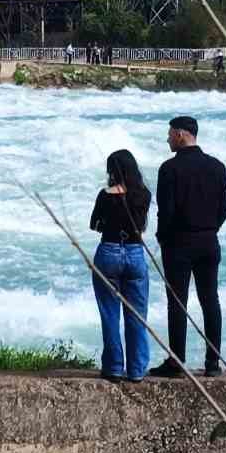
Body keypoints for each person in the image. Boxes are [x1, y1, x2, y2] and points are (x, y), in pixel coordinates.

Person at [152, 116, 226, 379]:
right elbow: (225, 207)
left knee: (178, 302)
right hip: (209, 240)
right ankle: (213, 363)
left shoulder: (169, 169)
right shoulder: (217, 166)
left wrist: (163, 238)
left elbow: (167, 211)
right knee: (211, 300)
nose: (167, 139)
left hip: (178, 243)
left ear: (181, 135)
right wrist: (211, 228)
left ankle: (176, 362)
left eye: (170, 134)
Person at [89, 150, 152, 383]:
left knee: (110, 313)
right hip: (135, 253)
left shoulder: (104, 195)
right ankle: (136, 370)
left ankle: (114, 367)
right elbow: (142, 225)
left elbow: (95, 225)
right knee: (136, 315)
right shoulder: (144, 195)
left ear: (112, 171)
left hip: (109, 251)